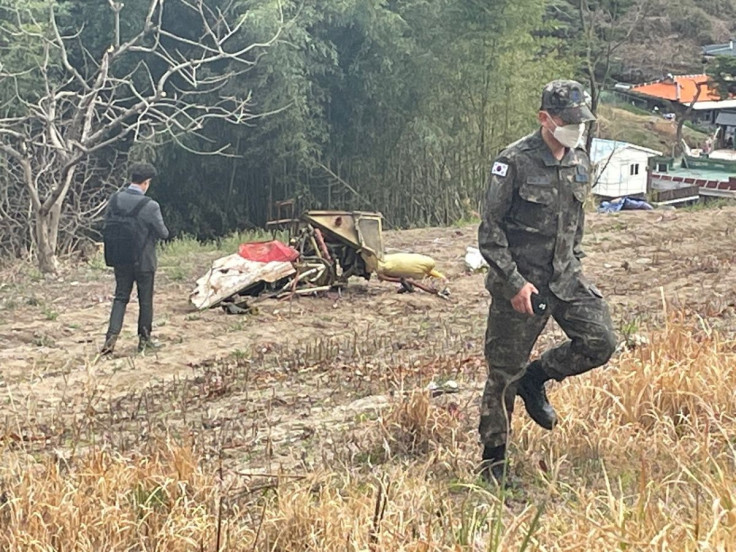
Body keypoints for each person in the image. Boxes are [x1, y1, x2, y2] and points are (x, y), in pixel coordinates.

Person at [477, 80, 617, 485]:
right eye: (567, 122)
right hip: (521, 284)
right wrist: (514, 283)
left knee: (601, 340)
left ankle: (537, 378)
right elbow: (490, 233)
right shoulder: (514, 162)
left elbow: (576, 227)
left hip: (565, 280)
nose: (575, 129)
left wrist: (574, 264)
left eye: (580, 122)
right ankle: (493, 463)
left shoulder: (580, 161)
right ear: (545, 119)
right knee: (503, 373)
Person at [101, 162, 169, 355]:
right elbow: (163, 233)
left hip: (120, 258)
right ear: (146, 183)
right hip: (144, 261)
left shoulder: (114, 200)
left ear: (132, 179)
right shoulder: (150, 206)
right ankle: (144, 341)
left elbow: (106, 224)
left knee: (120, 297)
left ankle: (110, 340)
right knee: (145, 300)